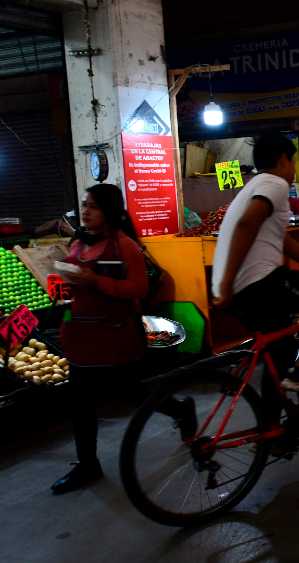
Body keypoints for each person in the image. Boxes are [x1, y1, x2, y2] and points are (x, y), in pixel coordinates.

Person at [53, 184, 196, 494]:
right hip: (80, 335)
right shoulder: (78, 241)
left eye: (93, 206)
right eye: (84, 205)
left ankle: (181, 409)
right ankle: (87, 465)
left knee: (132, 394)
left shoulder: (124, 246)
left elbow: (140, 290)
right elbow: (74, 278)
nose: (86, 211)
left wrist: (97, 281)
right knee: (80, 404)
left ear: (111, 212)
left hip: (115, 336)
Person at [213, 132, 299, 408]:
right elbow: (246, 225)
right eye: (294, 161)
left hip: (240, 292)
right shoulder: (274, 183)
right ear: (283, 159)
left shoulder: (256, 186)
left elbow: (283, 242)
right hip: (259, 284)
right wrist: (228, 282)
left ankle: (272, 430)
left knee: (280, 355)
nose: (294, 168)